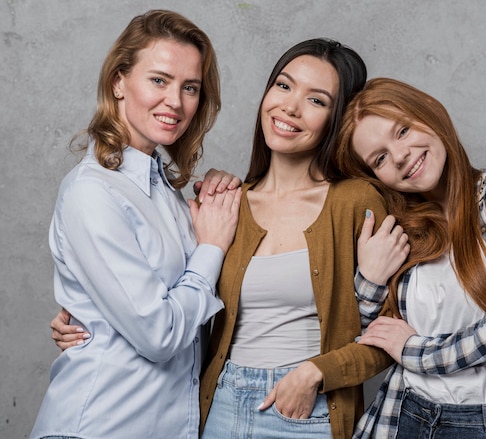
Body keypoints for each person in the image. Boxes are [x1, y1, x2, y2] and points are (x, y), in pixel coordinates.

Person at [50, 39, 401, 438]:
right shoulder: (222, 205)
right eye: (284, 86)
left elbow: (393, 331)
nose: (290, 107)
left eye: (317, 101)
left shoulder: (356, 202)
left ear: (337, 118)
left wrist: (317, 374)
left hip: (306, 412)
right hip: (217, 408)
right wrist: (91, 316)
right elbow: (172, 301)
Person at [30, 10, 240, 439]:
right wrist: (212, 248)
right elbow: (160, 334)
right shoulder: (93, 192)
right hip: (99, 426)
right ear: (118, 82)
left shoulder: (167, 192)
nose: (176, 102)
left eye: (190, 87)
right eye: (159, 80)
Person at [334, 77, 486, 439]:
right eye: (379, 158)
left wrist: (420, 353)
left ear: (429, 112)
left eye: (402, 130)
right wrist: (369, 278)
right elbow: (363, 339)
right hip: (405, 416)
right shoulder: (397, 229)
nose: (399, 156)